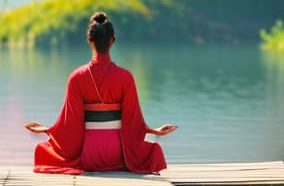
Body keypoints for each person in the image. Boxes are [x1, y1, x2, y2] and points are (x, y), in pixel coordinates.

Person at [24, 11, 176, 174]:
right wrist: (154, 131)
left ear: (89, 39)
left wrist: (47, 130)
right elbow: (133, 122)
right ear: (113, 40)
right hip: (117, 154)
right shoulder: (126, 77)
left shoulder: (77, 77)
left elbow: (69, 126)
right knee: (154, 150)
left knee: (42, 149)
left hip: (87, 154)